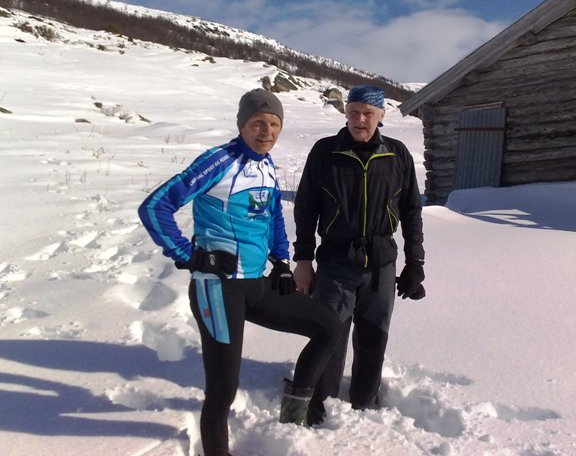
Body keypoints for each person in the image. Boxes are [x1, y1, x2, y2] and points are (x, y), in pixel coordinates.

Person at [138, 89, 341, 455]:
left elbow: (273, 215)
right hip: (217, 289)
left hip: (255, 284)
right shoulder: (219, 161)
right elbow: (155, 207)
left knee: (327, 326)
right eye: (258, 123)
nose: (266, 130)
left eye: (274, 123)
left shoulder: (266, 164)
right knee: (223, 389)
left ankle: (294, 411)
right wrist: (191, 256)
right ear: (242, 124)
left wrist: (280, 261)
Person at [292, 84, 426, 426]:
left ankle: (364, 404)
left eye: (368, 113)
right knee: (328, 335)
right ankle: (320, 403)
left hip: (381, 263)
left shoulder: (396, 155)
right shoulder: (325, 152)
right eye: (353, 112)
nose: (359, 119)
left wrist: (415, 263)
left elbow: (411, 211)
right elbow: (305, 209)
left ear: (380, 117)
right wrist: (303, 261)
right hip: (336, 261)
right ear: (346, 114)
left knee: (374, 337)